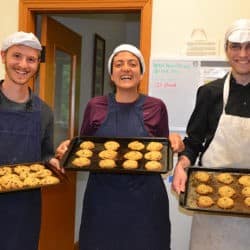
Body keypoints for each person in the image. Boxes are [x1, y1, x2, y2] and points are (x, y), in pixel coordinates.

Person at [56, 44, 184, 250]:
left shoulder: (157, 106)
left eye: (132, 64)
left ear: (141, 73)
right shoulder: (95, 106)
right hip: (103, 198)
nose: (126, 68)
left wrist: (176, 141)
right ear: (111, 74)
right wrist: (67, 147)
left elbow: (162, 154)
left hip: (146, 200)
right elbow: (84, 148)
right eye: (119, 64)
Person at [172, 19, 250, 250]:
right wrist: (182, 166)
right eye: (236, 46)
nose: (243, 54)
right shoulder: (209, 93)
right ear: (226, 50)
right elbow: (194, 141)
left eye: (249, 46)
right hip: (212, 200)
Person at [0, 31, 60, 250]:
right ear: (3, 56)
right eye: (17, 56)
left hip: (24, 210)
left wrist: (52, 162)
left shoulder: (44, 112)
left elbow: (45, 154)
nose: (23, 65)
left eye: (31, 59)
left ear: (37, 64)